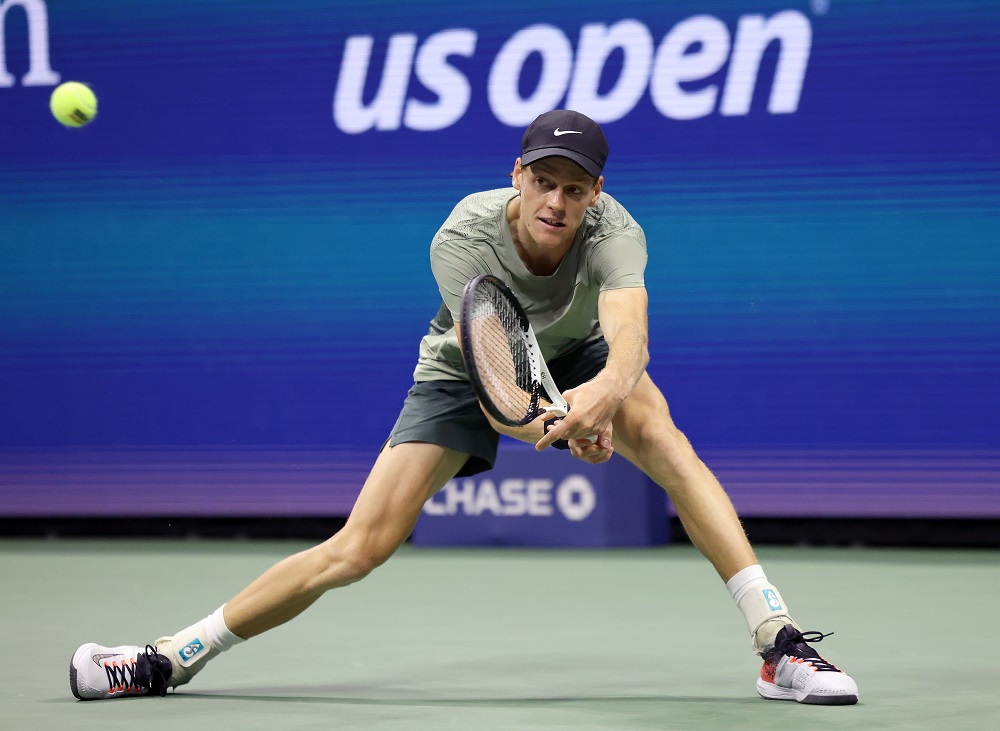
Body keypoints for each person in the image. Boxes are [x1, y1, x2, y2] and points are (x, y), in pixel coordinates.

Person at [70, 109, 858, 706]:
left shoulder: (616, 234)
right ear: (517, 174)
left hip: (579, 352)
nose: (556, 200)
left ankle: (777, 641)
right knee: (359, 546)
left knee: (668, 442)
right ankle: (168, 656)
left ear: (596, 194)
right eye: (543, 180)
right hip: (467, 368)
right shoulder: (464, 237)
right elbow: (502, 384)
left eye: (573, 188)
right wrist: (558, 425)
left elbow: (628, 347)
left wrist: (599, 404)